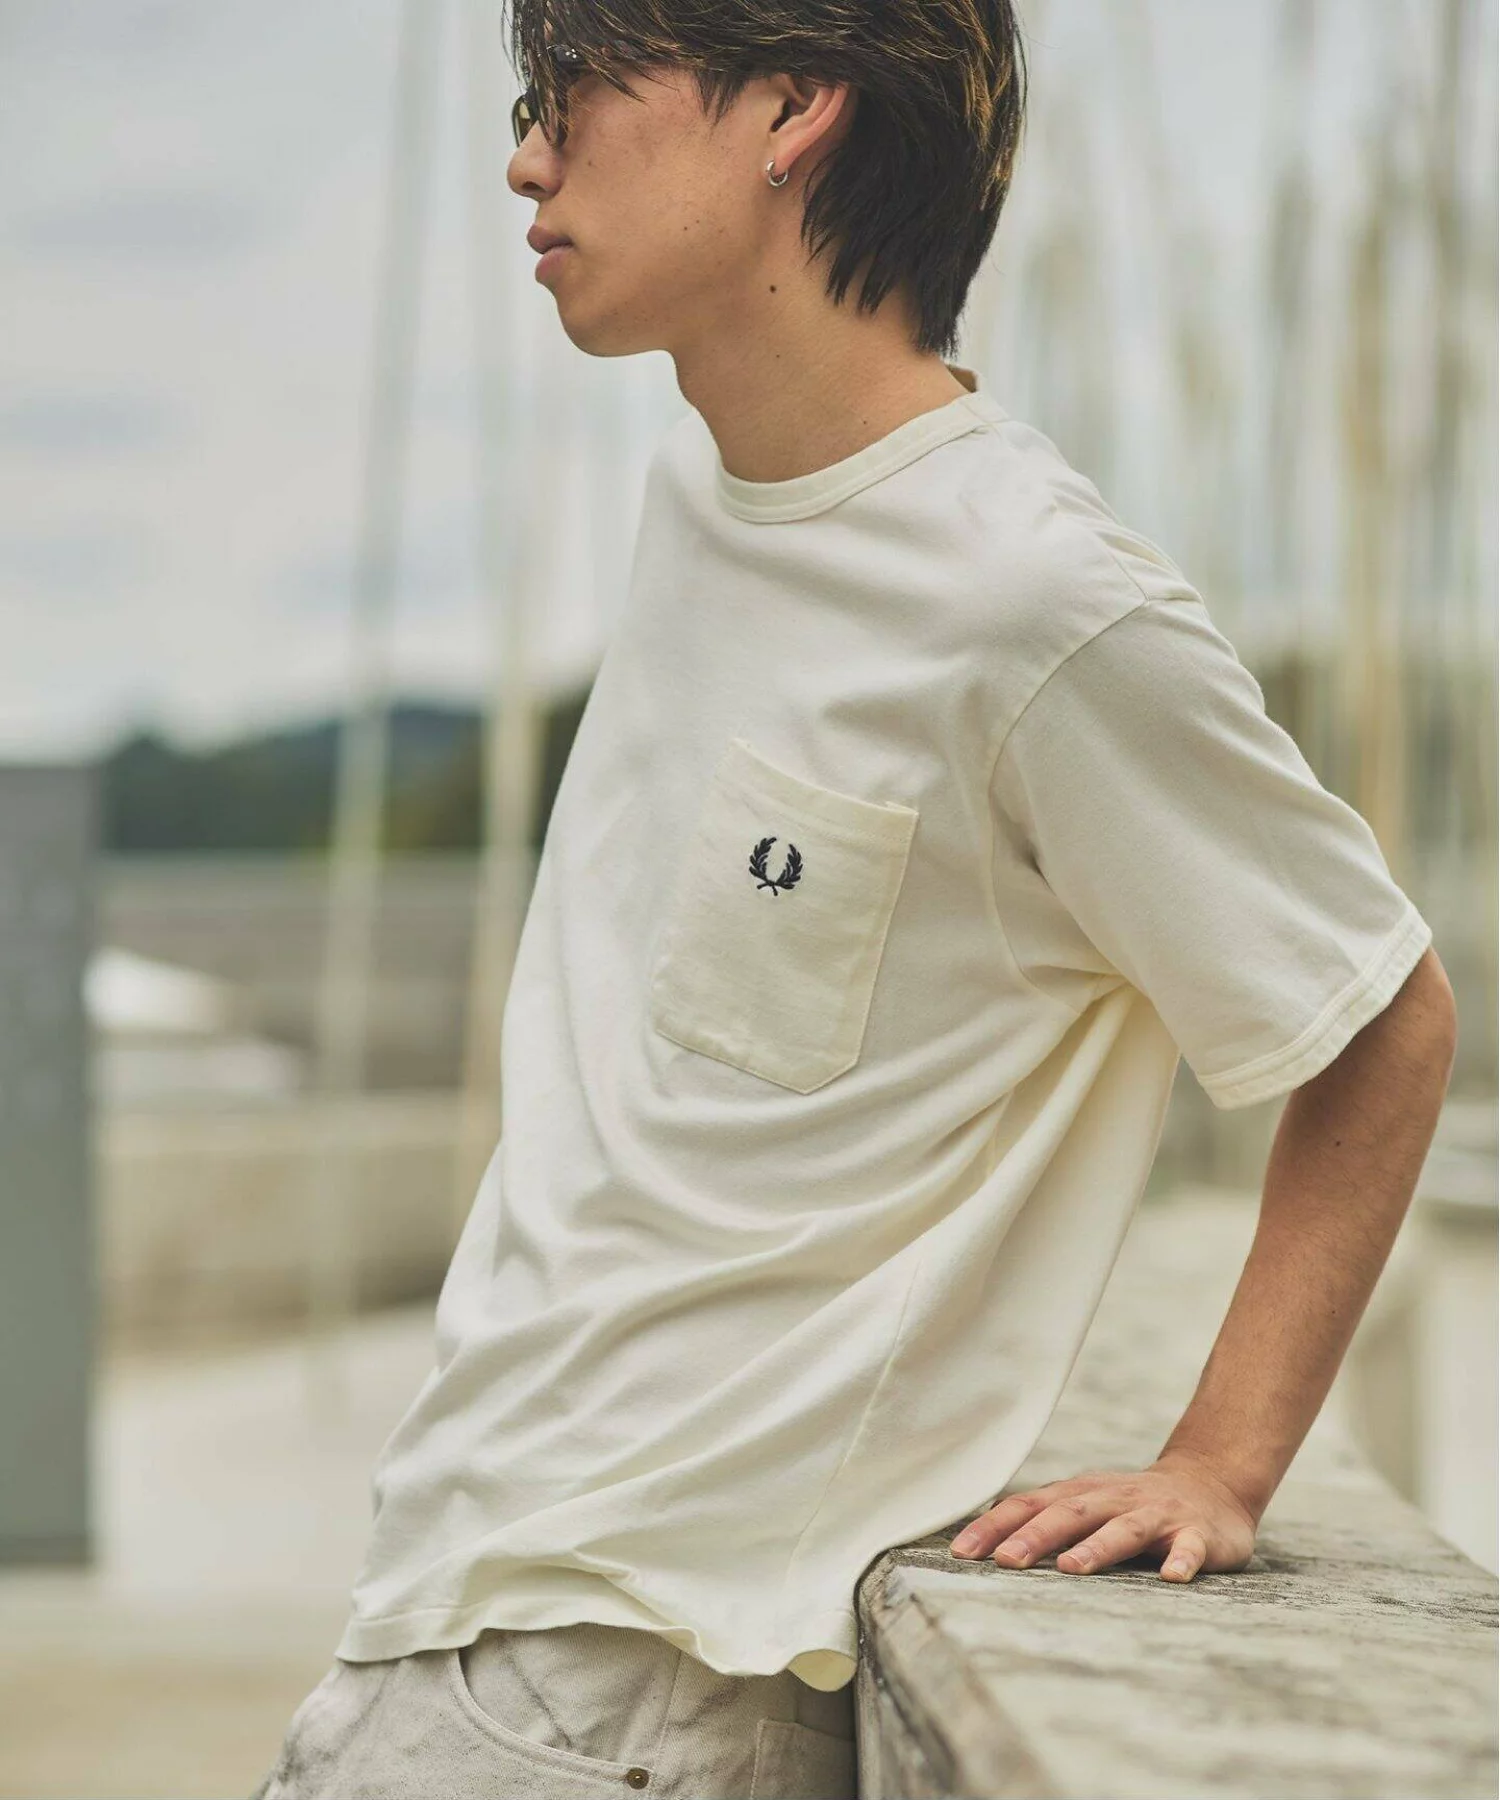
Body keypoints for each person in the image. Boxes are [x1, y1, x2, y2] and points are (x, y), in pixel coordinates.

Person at [251, 2, 1458, 1795]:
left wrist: (1221, 1460)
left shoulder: (1031, 601)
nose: (525, 158)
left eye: (574, 90)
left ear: (793, 105)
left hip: (641, 1678)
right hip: (471, 1590)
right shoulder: (706, 488)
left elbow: (1380, 1012)